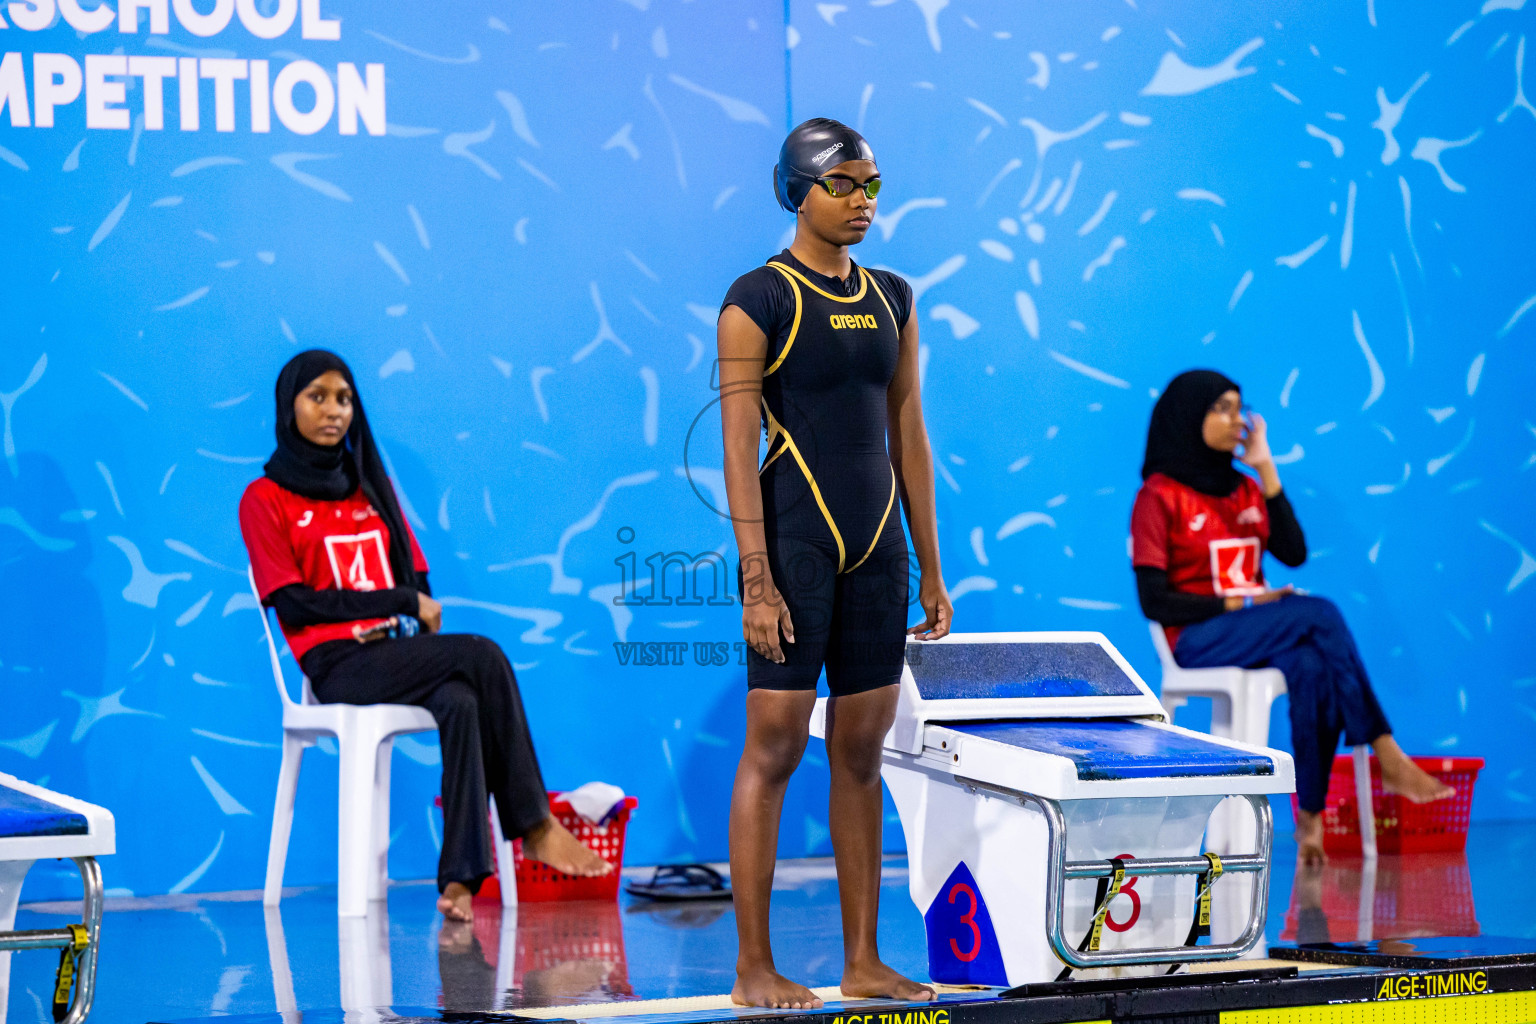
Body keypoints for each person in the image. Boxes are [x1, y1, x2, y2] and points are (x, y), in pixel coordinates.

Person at [239, 350, 610, 922]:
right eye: (318, 397)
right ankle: (533, 824)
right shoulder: (265, 499)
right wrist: (401, 601)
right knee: (482, 654)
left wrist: (407, 600)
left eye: (344, 398)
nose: (334, 410)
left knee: (461, 700)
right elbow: (293, 602)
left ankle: (460, 880)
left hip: (393, 651)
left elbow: (416, 575)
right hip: (335, 663)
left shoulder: (370, 487)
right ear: (288, 407)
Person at [717, 118, 953, 1009]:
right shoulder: (757, 299)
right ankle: (753, 968)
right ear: (798, 192)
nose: (863, 201)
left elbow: (910, 435)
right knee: (774, 747)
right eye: (845, 184)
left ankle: (862, 961)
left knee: (860, 752)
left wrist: (931, 568)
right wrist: (756, 577)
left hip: (879, 547)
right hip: (795, 546)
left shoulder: (893, 295)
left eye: (872, 185)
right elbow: (739, 448)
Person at [1130, 369, 1453, 866]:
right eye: (1223, 408)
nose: (1238, 419)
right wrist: (1242, 605)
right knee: (1320, 613)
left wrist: (1267, 470)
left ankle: (1311, 815)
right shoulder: (1158, 495)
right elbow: (1155, 601)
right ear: (1189, 415)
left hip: (1254, 630)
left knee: (1312, 664)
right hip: (1197, 637)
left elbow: (1294, 553)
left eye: (1240, 407)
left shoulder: (1243, 488)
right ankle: (1387, 751)